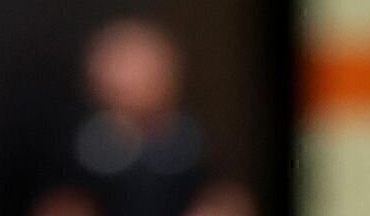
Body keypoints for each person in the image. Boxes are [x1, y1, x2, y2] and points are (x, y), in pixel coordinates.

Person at [31, 20, 247, 216]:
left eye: (143, 67)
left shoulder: (196, 141)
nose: (126, 79)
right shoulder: (75, 146)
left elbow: (225, 197)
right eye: (117, 64)